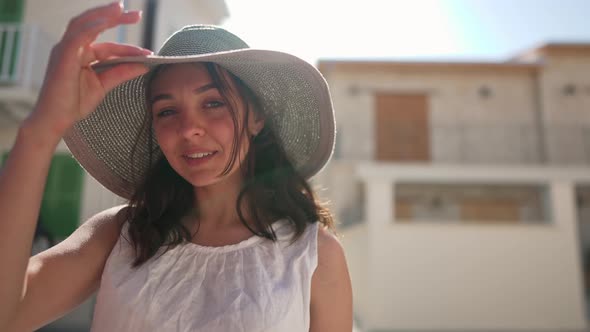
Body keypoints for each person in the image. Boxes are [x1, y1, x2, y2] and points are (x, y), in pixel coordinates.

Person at [0, 1, 352, 331]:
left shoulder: (314, 256)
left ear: (257, 116)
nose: (188, 129)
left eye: (213, 102)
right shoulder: (122, 235)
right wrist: (41, 130)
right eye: (167, 111)